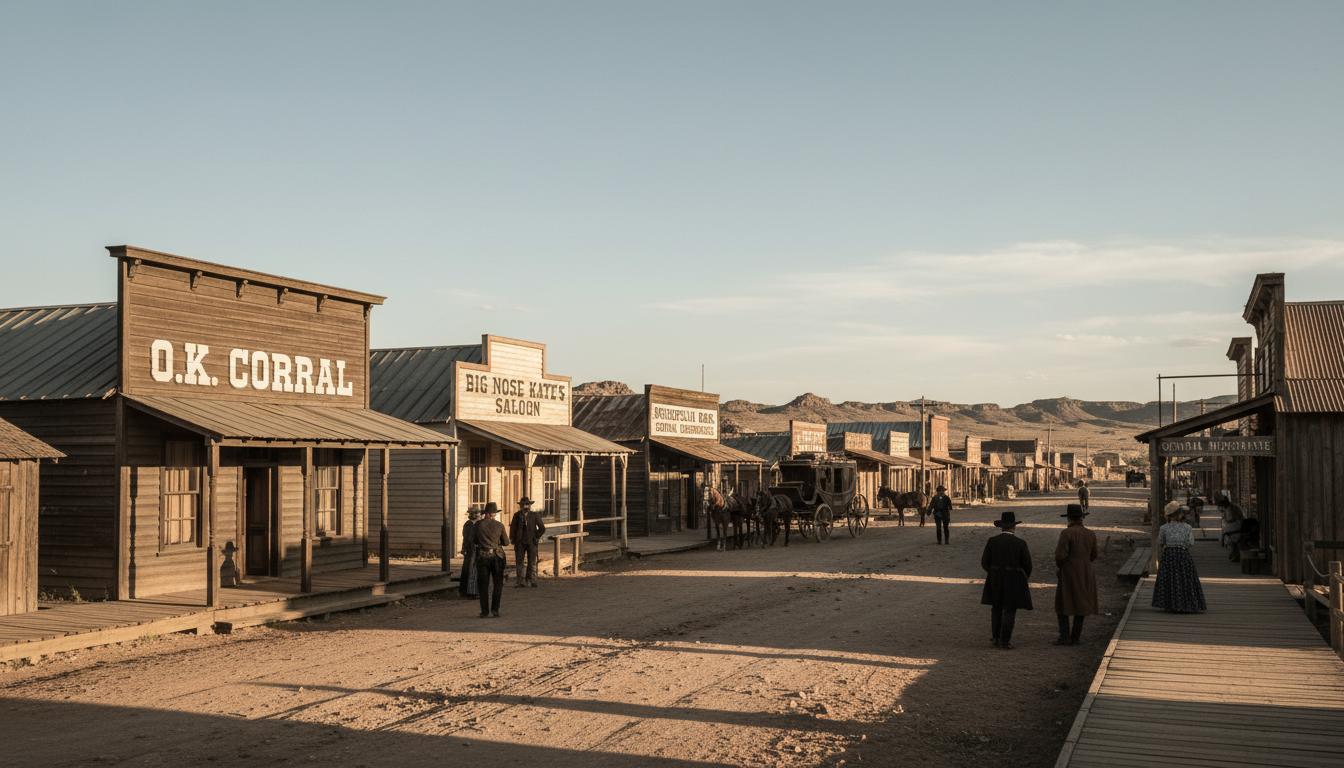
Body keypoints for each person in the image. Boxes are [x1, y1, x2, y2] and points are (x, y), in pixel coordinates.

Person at [981, 511, 1033, 649]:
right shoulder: (1020, 543)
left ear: (1001, 527)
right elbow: (1027, 565)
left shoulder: (992, 541)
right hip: (1014, 579)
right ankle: (1005, 641)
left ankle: (996, 637)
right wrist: (1022, 577)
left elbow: (984, 562)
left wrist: (993, 572)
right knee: (1010, 609)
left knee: (996, 608)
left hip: (995, 578)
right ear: (1014, 527)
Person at [1053, 503, 1099, 645]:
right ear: (1081, 518)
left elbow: (1060, 555)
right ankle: (1076, 637)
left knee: (1062, 604)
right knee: (1081, 604)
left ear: (1069, 519)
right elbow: (1094, 555)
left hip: (1069, 571)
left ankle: (1064, 636)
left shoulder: (1066, 533)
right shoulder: (1091, 534)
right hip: (1085, 571)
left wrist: (1061, 567)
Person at [1152, 506, 1207, 613]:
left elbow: (1160, 542)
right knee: (1185, 579)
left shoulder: (1164, 528)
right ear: (1180, 514)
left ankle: (1171, 604)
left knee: (1170, 578)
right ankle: (1186, 603)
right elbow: (1190, 543)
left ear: (1168, 515)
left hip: (1169, 555)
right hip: (1183, 555)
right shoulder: (1187, 527)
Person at [473, 502, 509, 618]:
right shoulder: (500, 525)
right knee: (497, 585)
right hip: (497, 557)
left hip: (483, 556)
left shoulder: (478, 525)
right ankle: (495, 610)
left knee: (483, 585)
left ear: (486, 513)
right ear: (494, 514)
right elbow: (506, 542)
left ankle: (484, 611)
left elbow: (473, 540)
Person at [510, 497, 546, 587]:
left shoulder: (534, 515)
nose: (525, 506)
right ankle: (520, 582)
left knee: (532, 562)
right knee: (519, 562)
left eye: (527, 504)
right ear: (520, 506)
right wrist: (513, 540)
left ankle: (531, 580)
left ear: (530, 505)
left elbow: (542, 528)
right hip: (520, 543)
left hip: (531, 542)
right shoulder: (516, 515)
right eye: (523, 505)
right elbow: (512, 529)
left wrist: (536, 537)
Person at [1216, 493, 1245, 562]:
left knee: (1233, 541)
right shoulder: (1229, 507)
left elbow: (1231, 518)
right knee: (1232, 542)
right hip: (1233, 526)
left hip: (1235, 526)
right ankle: (1234, 554)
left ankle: (1235, 554)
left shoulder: (1231, 508)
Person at [459, 509, 481, 598]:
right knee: (470, 570)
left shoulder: (478, 524)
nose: (479, 515)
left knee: (476, 570)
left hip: (477, 549)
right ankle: (469, 592)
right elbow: (467, 538)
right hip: (471, 549)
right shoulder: (469, 525)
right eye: (477, 514)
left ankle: (475, 591)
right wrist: (464, 548)